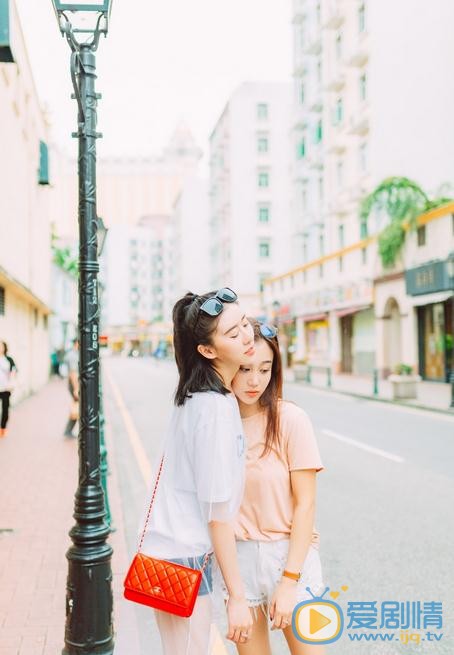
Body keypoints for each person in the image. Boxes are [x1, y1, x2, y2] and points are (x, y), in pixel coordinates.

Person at [139, 288, 256, 655]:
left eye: (245, 323)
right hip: (184, 557)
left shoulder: (198, 398)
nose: (247, 336)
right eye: (233, 334)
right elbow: (217, 514)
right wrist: (237, 597)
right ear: (207, 350)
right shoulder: (212, 408)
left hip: (172, 551)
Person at [219, 320, 325, 655]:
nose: (255, 381)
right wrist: (234, 593)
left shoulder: (291, 419)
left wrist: (290, 580)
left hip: (290, 557)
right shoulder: (217, 424)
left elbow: (305, 504)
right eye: (245, 368)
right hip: (239, 561)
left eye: (265, 369)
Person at [0, 341, 17, 438]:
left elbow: (14, 372)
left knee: (5, 409)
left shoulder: (9, 360)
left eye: (1, 346)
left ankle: (2, 428)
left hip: (5, 389)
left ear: (4, 348)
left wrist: (12, 384)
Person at [63, 338, 79, 438]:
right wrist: (76, 389)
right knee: (76, 408)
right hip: (74, 385)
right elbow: (73, 373)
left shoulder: (73, 354)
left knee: (77, 407)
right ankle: (68, 431)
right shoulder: (73, 355)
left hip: (74, 384)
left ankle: (68, 430)